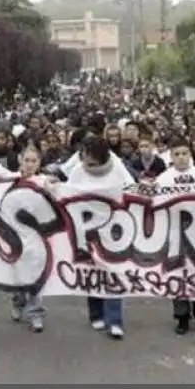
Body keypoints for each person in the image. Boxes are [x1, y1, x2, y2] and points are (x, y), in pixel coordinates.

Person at [66, 135, 136, 340]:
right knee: (92, 272)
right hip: (87, 227)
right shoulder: (78, 171)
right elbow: (68, 192)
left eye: (88, 154)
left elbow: (131, 188)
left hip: (114, 227)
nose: (84, 158)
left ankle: (114, 320)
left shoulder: (117, 167)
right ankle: (96, 313)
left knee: (113, 272)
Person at [155, 138, 195, 335]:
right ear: (171, 156)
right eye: (177, 154)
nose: (181, 158)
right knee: (176, 274)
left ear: (190, 155)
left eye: (184, 153)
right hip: (173, 233)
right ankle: (181, 316)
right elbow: (156, 206)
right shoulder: (163, 179)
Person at [8, 146, 53, 333]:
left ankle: (35, 314)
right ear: (20, 160)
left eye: (34, 161)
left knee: (36, 275)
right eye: (26, 160)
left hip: (37, 236)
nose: (29, 164)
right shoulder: (11, 180)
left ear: (39, 163)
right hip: (14, 234)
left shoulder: (43, 183)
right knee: (18, 274)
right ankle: (18, 303)